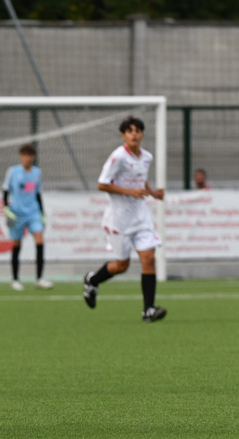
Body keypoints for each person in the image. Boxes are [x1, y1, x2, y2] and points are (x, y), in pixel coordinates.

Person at [83, 116, 166, 322]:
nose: (134, 134)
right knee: (122, 266)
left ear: (142, 134)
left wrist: (153, 193)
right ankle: (93, 280)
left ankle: (148, 310)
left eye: (137, 131)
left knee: (149, 258)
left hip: (141, 217)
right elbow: (102, 184)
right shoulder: (118, 157)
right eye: (130, 131)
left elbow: (141, 179)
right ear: (123, 136)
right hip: (119, 219)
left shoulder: (146, 157)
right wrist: (130, 192)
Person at [2, 143, 53, 291]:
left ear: (33, 157)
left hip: (33, 212)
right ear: (21, 156)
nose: (27, 158)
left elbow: (38, 194)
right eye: (25, 155)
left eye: (30, 155)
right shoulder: (12, 172)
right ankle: (15, 279)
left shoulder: (37, 173)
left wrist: (42, 213)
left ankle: (39, 278)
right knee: (16, 245)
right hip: (17, 213)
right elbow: (5, 191)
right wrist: (6, 209)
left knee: (39, 240)